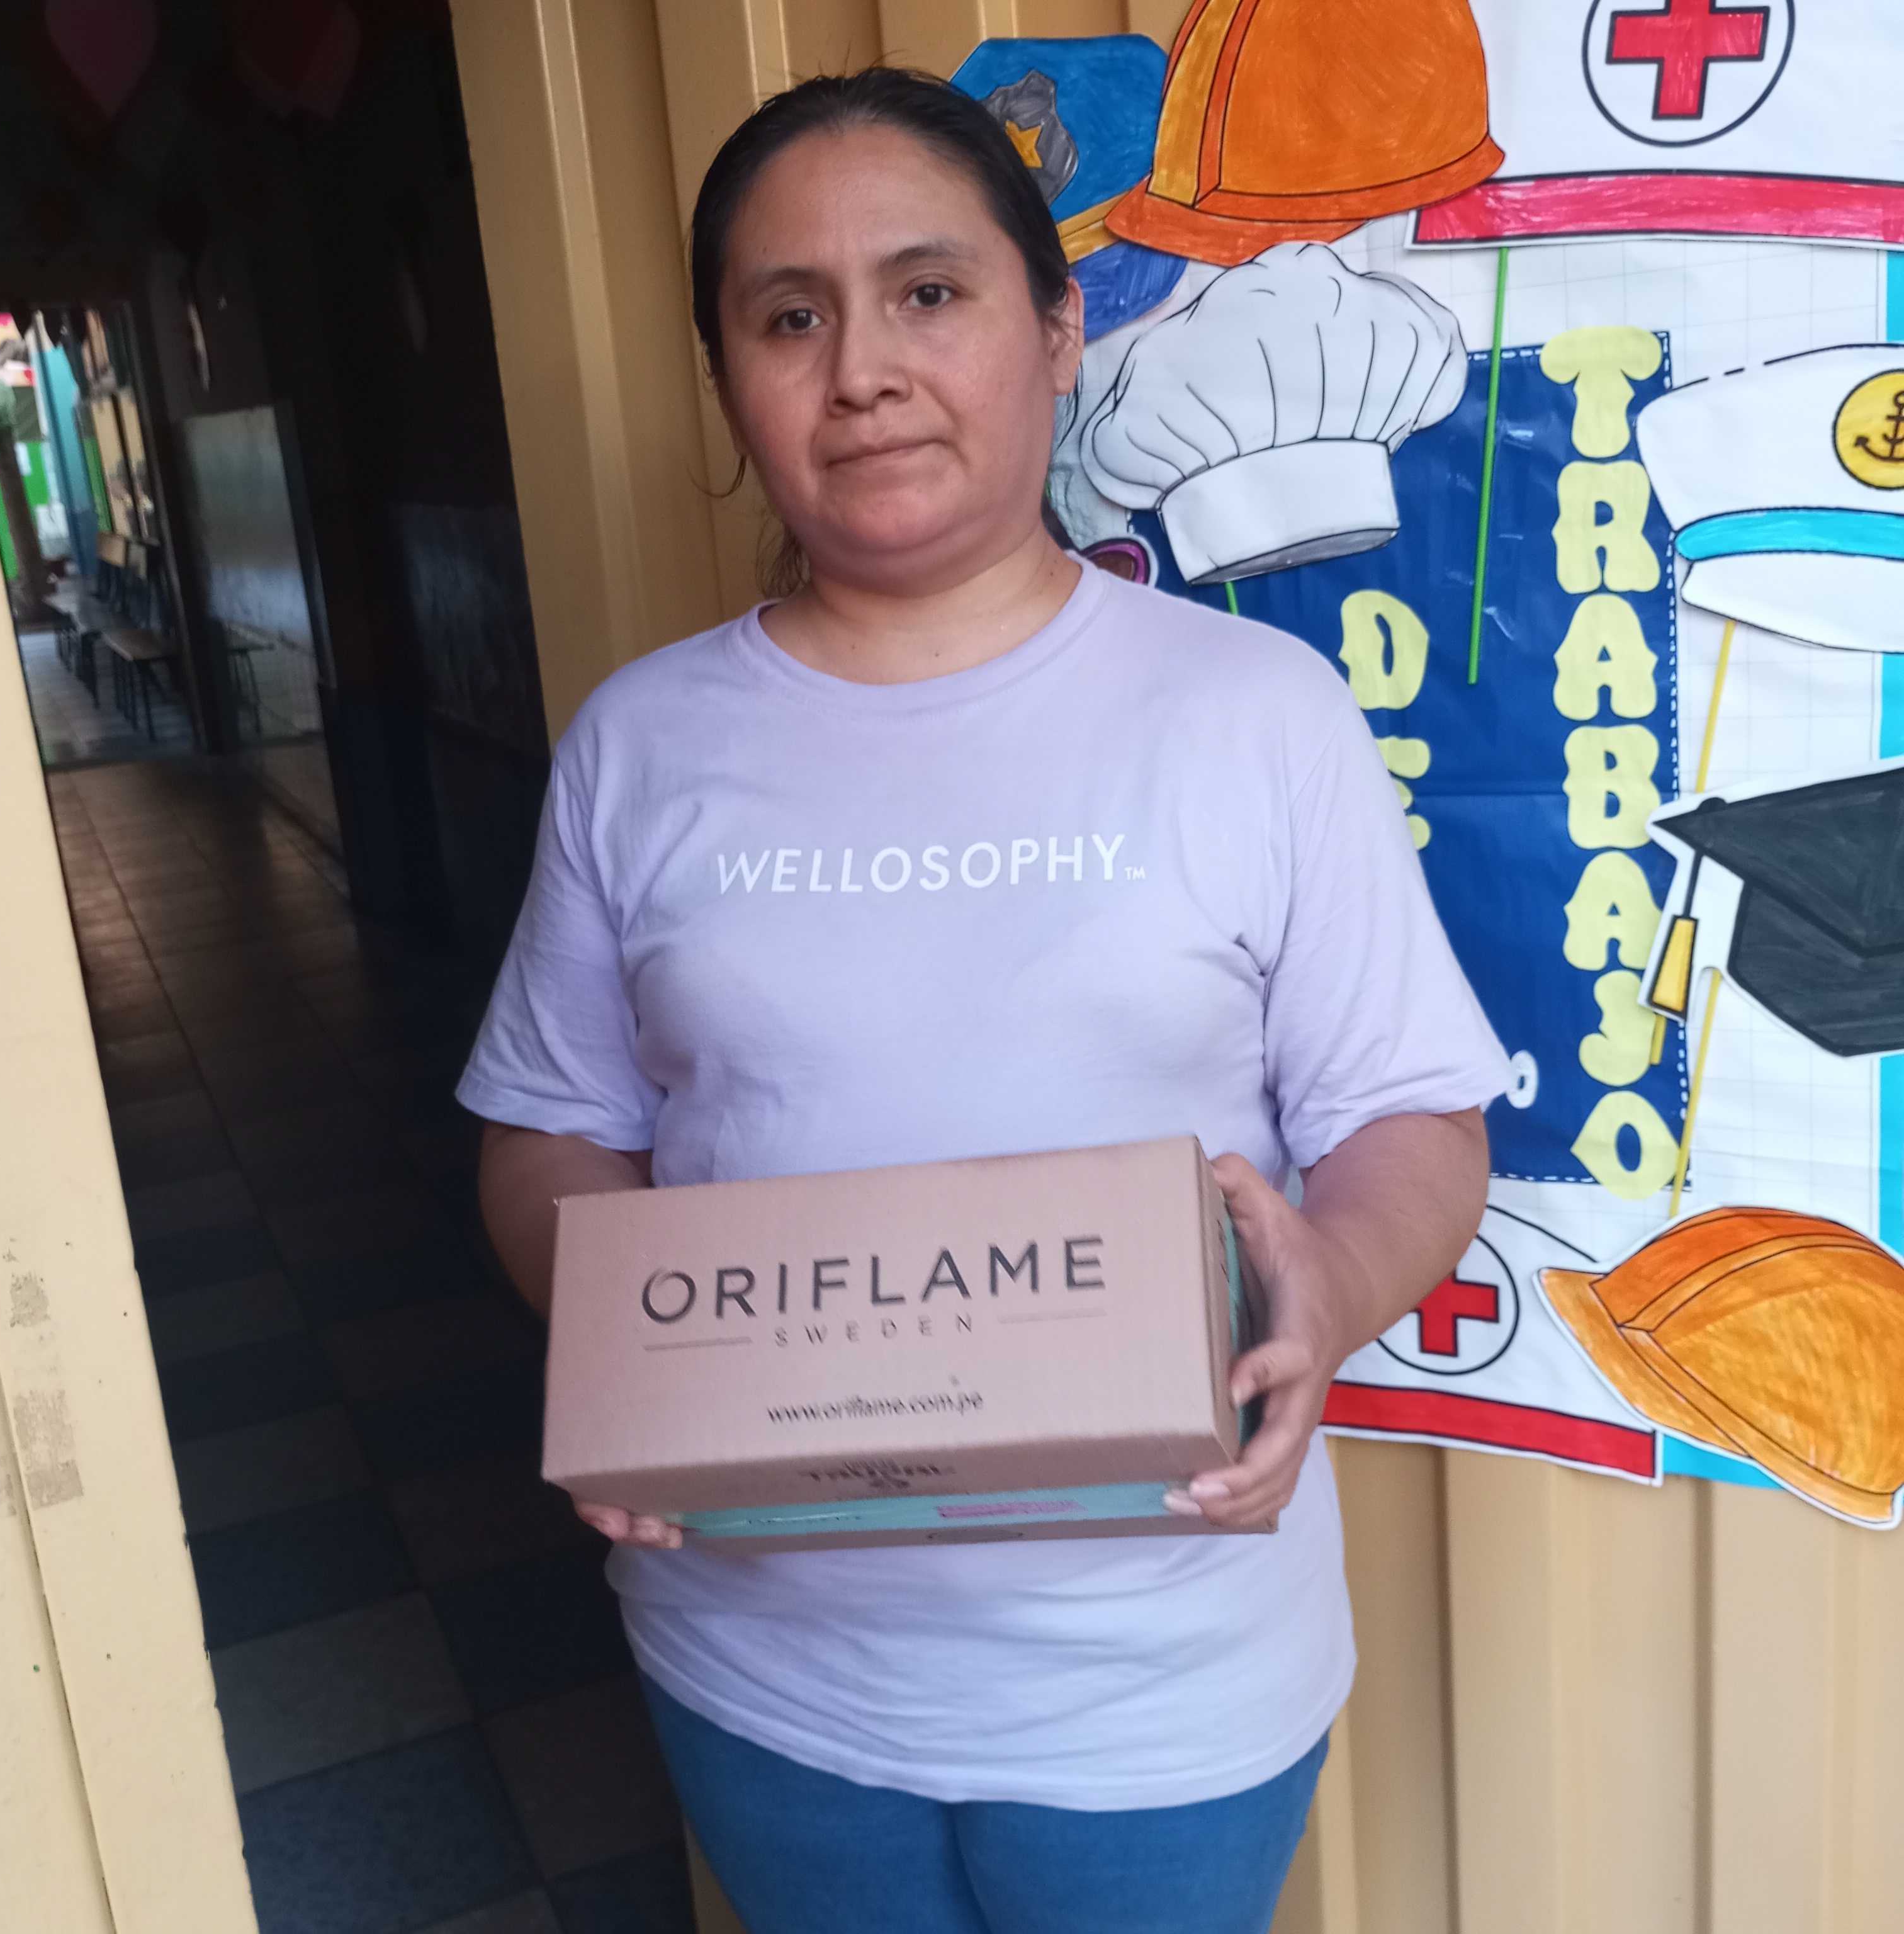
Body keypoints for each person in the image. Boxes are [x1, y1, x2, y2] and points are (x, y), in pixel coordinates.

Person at [461, 67, 1505, 1934]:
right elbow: (550, 1135)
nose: (862, 370)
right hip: (763, 1666)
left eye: (928, 292)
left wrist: (1329, 1289)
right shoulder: (641, 744)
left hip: (1162, 1677)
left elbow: (1409, 1120)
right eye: (791, 317)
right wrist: (623, 1368)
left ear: (1058, 327)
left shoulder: (1252, 718)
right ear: (730, 379)